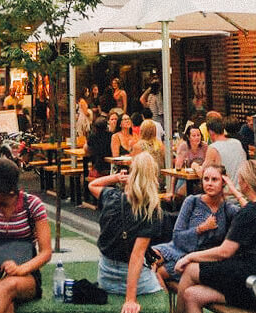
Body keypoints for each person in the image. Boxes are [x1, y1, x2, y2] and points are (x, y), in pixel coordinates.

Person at [174, 160, 256, 313]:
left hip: (254, 283)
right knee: (192, 295)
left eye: (239, 179)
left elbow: (224, 252)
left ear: (245, 183)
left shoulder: (247, 214)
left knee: (190, 270)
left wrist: (189, 257)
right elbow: (253, 210)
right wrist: (235, 191)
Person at [0, 158, 52, 313]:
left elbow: (46, 253)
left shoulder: (33, 205)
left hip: (25, 274)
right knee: (6, 305)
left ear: (5, 188)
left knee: (7, 286)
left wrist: (20, 269)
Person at [89, 152, 169, 313]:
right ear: (153, 177)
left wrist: (116, 178)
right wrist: (130, 299)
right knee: (162, 291)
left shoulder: (111, 197)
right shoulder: (149, 210)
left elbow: (93, 185)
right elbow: (136, 256)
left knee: (154, 270)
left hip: (105, 274)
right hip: (132, 279)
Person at [151, 165, 238, 288]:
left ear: (223, 181)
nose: (209, 183)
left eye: (214, 179)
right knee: (149, 258)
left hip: (199, 256)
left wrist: (234, 190)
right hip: (176, 248)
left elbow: (251, 213)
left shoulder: (227, 208)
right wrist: (201, 229)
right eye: (206, 179)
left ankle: (170, 297)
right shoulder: (192, 201)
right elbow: (177, 236)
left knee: (159, 273)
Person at [196, 117, 246, 188]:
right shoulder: (237, 142)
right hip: (241, 189)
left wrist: (195, 166)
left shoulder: (213, 148)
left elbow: (203, 174)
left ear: (210, 132)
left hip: (225, 191)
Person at [131, 120, 165, 185]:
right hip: (159, 180)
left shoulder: (138, 146)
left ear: (141, 131)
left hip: (144, 181)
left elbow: (134, 167)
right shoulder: (160, 145)